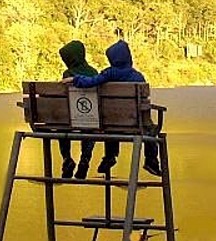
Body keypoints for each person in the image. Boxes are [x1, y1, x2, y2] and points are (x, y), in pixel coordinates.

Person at [64, 39, 162, 176]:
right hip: (134, 123)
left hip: (110, 123)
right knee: (151, 130)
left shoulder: (108, 74)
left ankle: (110, 156)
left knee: (112, 124)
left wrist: (75, 79)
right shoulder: (138, 76)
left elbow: (91, 82)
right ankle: (151, 161)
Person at [57, 40, 98, 179]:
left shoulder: (67, 74)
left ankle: (67, 158)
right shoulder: (94, 73)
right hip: (91, 118)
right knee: (90, 126)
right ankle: (85, 159)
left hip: (68, 120)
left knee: (61, 126)